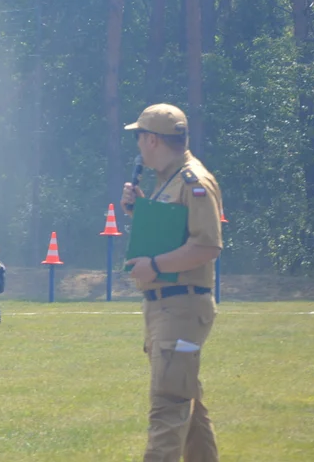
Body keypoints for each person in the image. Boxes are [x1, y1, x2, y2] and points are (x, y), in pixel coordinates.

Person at [121, 103, 223, 462]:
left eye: (138, 138)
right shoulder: (172, 179)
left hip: (181, 306)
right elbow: (176, 234)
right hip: (169, 305)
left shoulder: (195, 181)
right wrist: (141, 210)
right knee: (186, 403)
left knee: (167, 406)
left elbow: (208, 245)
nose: (138, 147)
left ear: (151, 140)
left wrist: (154, 264)